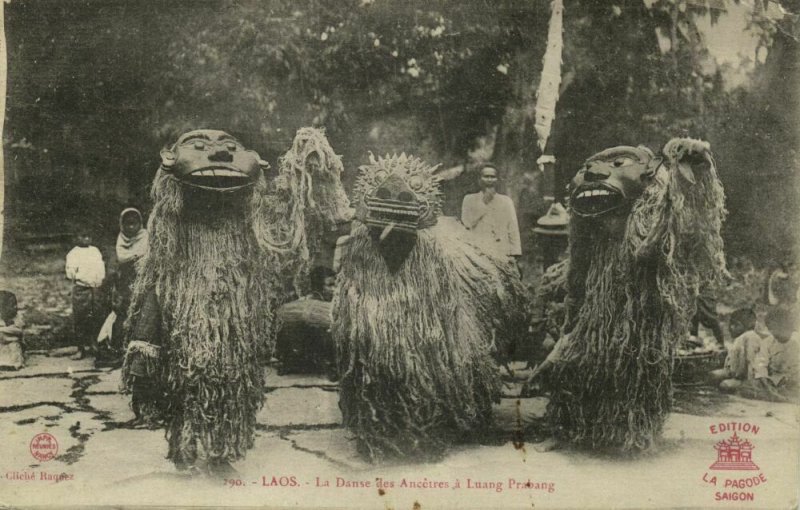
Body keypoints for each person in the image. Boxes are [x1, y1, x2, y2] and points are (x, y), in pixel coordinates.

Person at [96, 208, 149, 368]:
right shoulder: (121, 240)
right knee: (121, 313)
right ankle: (118, 349)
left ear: (140, 224)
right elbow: (120, 262)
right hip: (125, 282)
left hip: (142, 279)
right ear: (122, 225)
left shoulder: (146, 238)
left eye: (134, 224)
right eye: (127, 224)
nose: (131, 228)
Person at [274, 266, 336, 377]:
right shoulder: (306, 301)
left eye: (334, 285)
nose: (333, 289)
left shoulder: (332, 302)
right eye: (329, 285)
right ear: (318, 287)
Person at [461, 163, 522, 261]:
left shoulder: (506, 201)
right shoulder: (469, 200)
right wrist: (484, 202)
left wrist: (515, 254)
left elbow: (513, 229)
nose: (489, 180)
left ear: (497, 180)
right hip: (478, 253)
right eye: (486, 176)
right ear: (479, 179)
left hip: (501, 253)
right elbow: (466, 224)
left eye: (492, 177)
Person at [737, 308, 799, 403]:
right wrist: (764, 380)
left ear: (786, 327)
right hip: (774, 380)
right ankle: (775, 394)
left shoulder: (796, 340)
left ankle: (781, 395)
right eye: (771, 329)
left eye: (776, 329)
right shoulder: (768, 342)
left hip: (794, 378)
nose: (773, 332)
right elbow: (761, 363)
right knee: (746, 387)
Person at [65, 229, 106, 360]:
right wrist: (80, 277)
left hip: (95, 288)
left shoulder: (95, 251)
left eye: (89, 236)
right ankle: (80, 348)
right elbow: (70, 272)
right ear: (76, 238)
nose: (86, 239)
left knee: (96, 316)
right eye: (83, 236)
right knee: (80, 318)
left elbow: (101, 267)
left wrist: (99, 279)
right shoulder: (73, 253)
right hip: (81, 289)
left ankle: (95, 344)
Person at [710, 308, 764, 391]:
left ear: (746, 326)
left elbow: (751, 361)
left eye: (735, 325)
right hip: (735, 372)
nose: (731, 327)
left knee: (724, 385)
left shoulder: (750, 336)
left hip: (748, 377)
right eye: (731, 324)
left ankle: (745, 388)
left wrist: (745, 379)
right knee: (713, 375)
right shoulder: (740, 338)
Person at [0, 291, 24, 370]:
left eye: (15, 304)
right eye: (11, 305)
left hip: (11, 342)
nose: (15, 307)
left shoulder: (17, 317)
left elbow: (18, 331)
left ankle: (12, 364)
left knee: (14, 345)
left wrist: (3, 331)